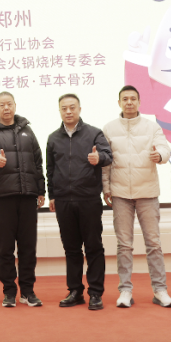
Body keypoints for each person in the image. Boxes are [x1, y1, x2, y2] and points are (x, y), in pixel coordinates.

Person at [101, 85, 171, 308]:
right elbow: (105, 162)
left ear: (139, 102)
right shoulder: (109, 128)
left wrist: (160, 155)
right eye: (125, 99)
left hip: (147, 192)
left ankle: (160, 290)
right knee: (124, 245)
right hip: (120, 193)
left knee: (154, 243)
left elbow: (165, 149)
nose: (129, 102)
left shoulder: (152, 126)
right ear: (119, 103)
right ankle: (125, 290)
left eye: (133, 98)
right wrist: (106, 188)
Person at [46, 94, 113, 311]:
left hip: (88, 199)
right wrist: (52, 195)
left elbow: (108, 155)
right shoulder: (53, 138)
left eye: (72, 107)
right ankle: (75, 291)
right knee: (71, 248)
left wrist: (99, 158)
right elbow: (50, 170)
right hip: (63, 200)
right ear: (59, 111)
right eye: (64, 108)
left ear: (79, 109)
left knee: (93, 247)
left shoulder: (94, 133)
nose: (68, 111)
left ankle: (95, 293)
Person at [0, 91, 46, 308]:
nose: (6, 108)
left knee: (28, 247)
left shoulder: (28, 131)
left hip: (27, 196)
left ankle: (28, 291)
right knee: (5, 248)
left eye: (9, 104)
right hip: (2, 197)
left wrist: (40, 190)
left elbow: (37, 161)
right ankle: (9, 291)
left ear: (15, 106)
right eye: (2, 105)